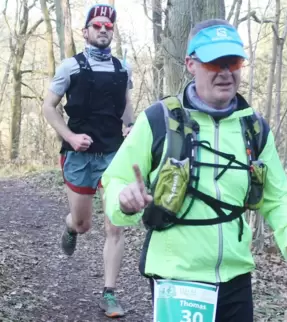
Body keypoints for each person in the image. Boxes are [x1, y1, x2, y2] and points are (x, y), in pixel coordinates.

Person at [101, 18, 287, 322]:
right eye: (215, 63)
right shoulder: (159, 120)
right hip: (176, 276)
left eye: (233, 62)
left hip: (236, 275)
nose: (226, 72)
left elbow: (278, 196)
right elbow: (114, 179)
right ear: (191, 63)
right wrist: (123, 198)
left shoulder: (253, 128)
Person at [42, 3, 133, 318]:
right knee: (84, 224)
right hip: (80, 155)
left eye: (108, 26)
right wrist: (69, 137)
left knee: (115, 225)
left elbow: (125, 106)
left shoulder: (123, 68)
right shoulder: (70, 67)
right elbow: (49, 108)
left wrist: (130, 126)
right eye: (97, 25)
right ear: (86, 31)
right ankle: (70, 226)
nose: (103, 29)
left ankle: (109, 292)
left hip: (114, 155)